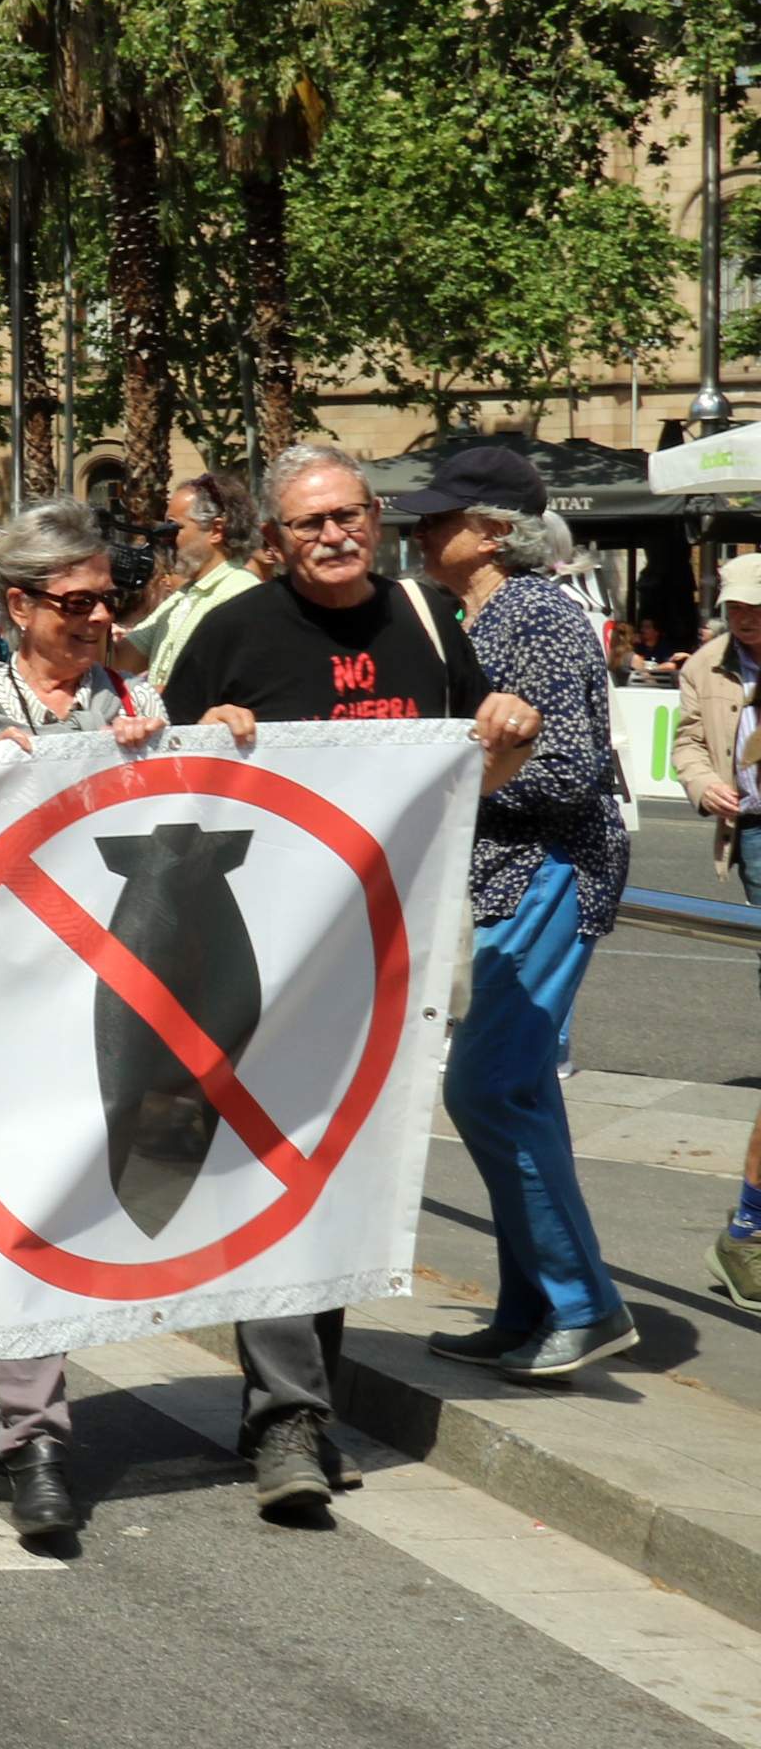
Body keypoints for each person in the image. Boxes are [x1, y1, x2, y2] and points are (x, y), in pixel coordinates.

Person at [165, 441, 545, 1513]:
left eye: (348, 515)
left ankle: (301, 1398)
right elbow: (160, 778)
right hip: (264, 957)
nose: (333, 535)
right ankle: (287, 1419)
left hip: (390, 959)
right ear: (273, 541)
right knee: (282, 1174)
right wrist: (211, 734)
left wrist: (508, 733)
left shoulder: (427, 622)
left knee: (345, 1175)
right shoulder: (231, 635)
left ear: (374, 516)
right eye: (308, 523)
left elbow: (473, 772)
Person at [0, 503, 165, 1546]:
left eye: (112, 598)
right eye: (75, 602)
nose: (100, 617)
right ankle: (35, 1436)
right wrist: (51, 758)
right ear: (18, 608)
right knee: (28, 1208)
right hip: (7, 1000)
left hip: (121, 992)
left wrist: (176, 748)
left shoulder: (144, 699)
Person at [376, 442, 636, 1385]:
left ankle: (584, 1303)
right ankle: (534, 1304)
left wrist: (442, 781)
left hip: (548, 868)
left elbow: (565, 768)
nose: (423, 528)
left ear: (493, 533)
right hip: (515, 871)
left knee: (487, 1088)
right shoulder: (476, 611)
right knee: (516, 1088)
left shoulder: (533, 612)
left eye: (442, 516)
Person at [676, 555, 761, 1307]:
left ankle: (748, 1231)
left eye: (756, 611)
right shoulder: (707, 664)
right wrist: (704, 784)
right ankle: (748, 1232)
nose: (746, 622)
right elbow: (687, 744)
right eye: (737, 610)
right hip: (755, 833)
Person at [123, 471, 264, 683]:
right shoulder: (184, 595)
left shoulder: (241, 593)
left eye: (173, 528)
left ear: (216, 530)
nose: (165, 539)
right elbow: (119, 659)